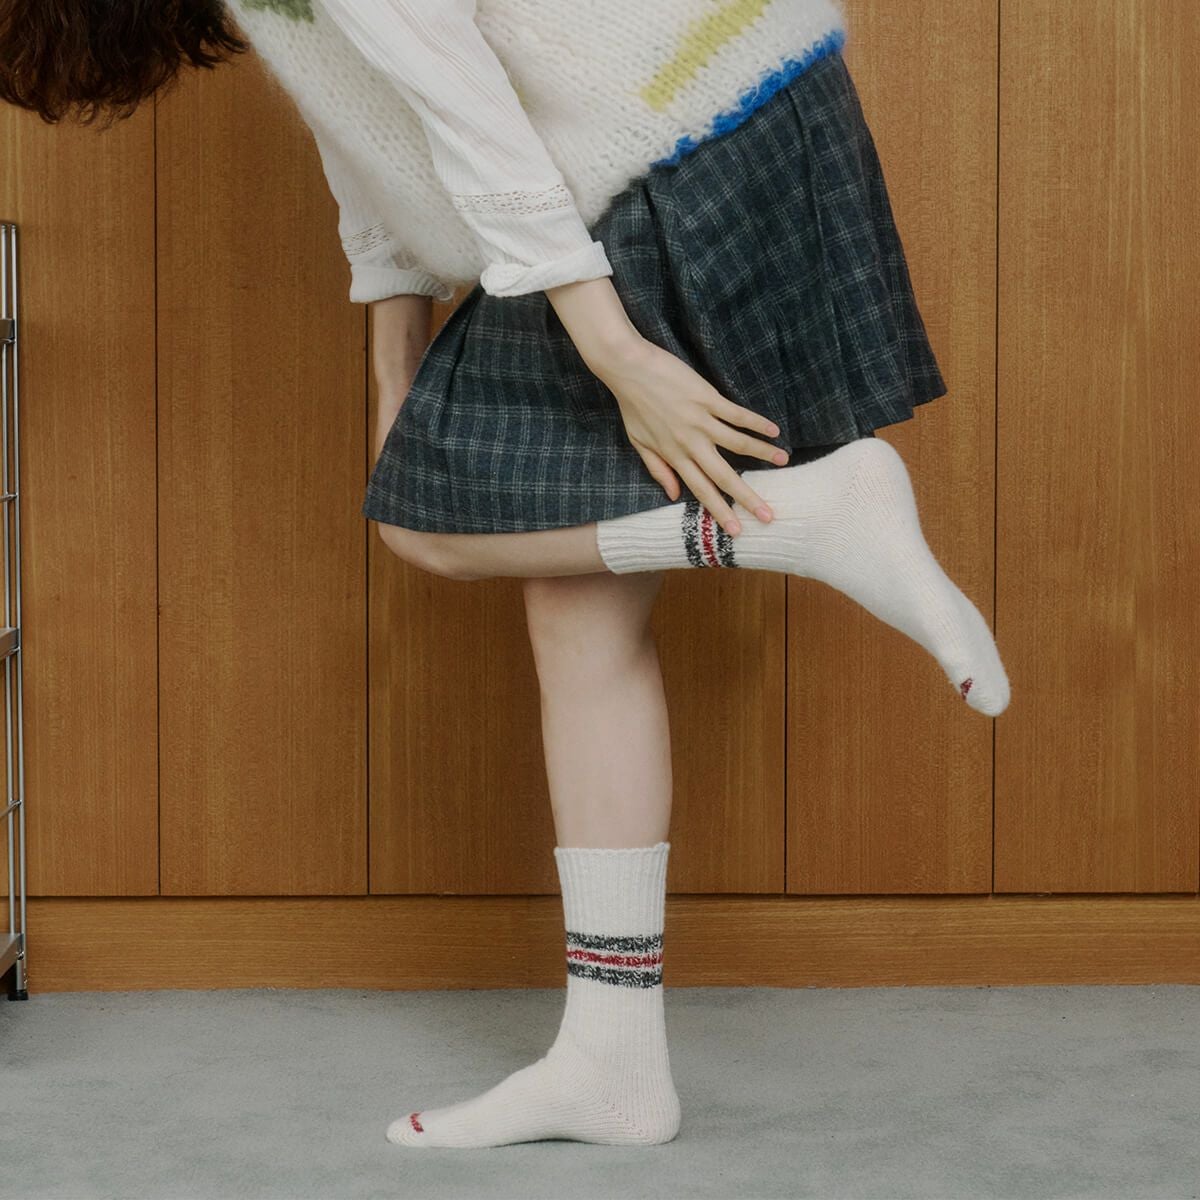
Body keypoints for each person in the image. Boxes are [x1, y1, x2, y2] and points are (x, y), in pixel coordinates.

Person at [0, 0, 1010, 1149]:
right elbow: (365, 123)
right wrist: (394, 379)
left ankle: (783, 523)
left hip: (670, 128)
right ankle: (613, 1065)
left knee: (431, 529)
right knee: (575, 612)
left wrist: (615, 351)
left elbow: (463, 102)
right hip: (723, 100)